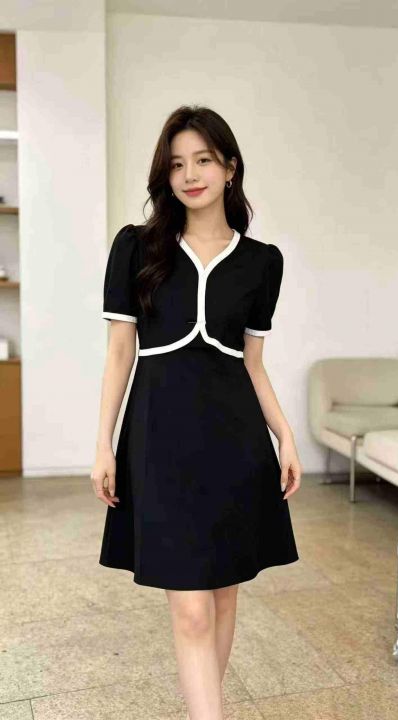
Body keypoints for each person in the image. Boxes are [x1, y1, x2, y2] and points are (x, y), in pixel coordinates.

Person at [91, 104, 301, 720]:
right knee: (189, 607)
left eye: (203, 160)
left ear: (230, 168)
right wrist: (103, 443)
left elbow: (253, 364)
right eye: (177, 163)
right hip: (158, 439)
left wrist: (286, 436)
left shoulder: (262, 262)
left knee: (224, 594)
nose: (190, 175)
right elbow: (119, 351)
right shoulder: (136, 248)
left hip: (235, 442)